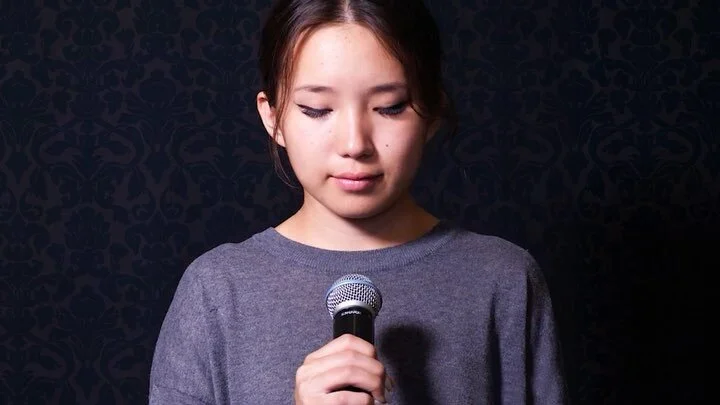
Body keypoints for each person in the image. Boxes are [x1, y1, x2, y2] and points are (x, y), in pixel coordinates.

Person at [149, 0, 568, 404]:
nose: (354, 144)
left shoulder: (502, 280)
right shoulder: (216, 291)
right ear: (272, 116)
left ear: (432, 113)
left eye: (390, 107)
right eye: (317, 109)